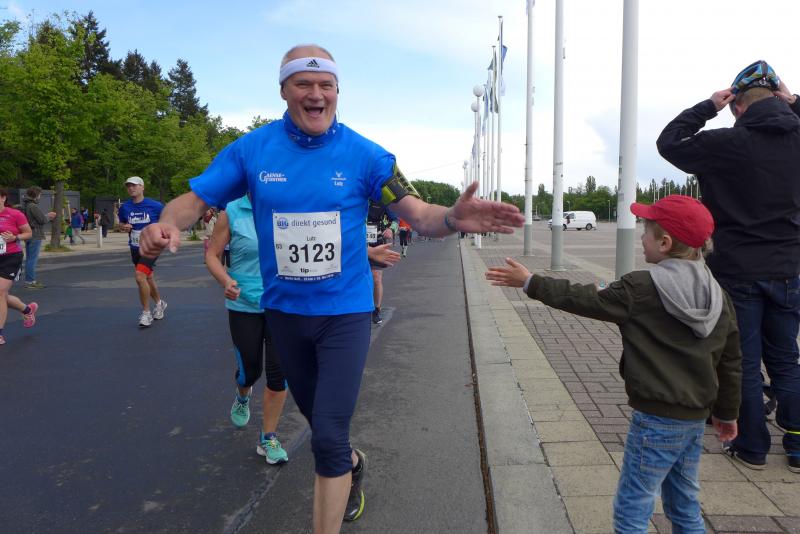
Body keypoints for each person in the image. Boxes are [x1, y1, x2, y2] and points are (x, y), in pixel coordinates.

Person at [139, 44, 523, 534]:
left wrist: (451, 217)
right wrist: (166, 223)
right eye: (304, 83)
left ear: (338, 92)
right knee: (324, 429)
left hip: (345, 313)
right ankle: (352, 463)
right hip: (284, 314)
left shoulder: (367, 156)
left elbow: (420, 214)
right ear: (284, 91)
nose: (316, 93)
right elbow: (194, 201)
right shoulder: (251, 150)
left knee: (327, 437)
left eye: (326, 85)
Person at [486, 195, 742, 533]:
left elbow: (584, 298)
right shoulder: (718, 295)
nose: (641, 237)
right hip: (694, 419)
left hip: (655, 420)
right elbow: (731, 361)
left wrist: (531, 281)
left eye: (645, 232)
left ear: (664, 243)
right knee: (684, 503)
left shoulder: (640, 288)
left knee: (632, 507)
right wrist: (727, 413)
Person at [656, 60, 800, 474]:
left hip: (737, 270)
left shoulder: (724, 143)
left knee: (744, 361)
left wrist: (707, 107)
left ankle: (752, 447)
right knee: (786, 360)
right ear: (778, 98)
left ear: (737, 106)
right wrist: (793, 102)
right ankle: (797, 447)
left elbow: (670, 142)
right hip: (789, 269)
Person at [206, 195, 290, 464]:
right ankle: (243, 395)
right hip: (244, 303)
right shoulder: (232, 212)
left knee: (279, 375)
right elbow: (212, 255)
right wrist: (225, 281)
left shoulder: (288, 204)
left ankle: (268, 437)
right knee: (249, 372)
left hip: (282, 304)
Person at [118, 176, 167, 328]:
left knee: (140, 276)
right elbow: (121, 223)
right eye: (128, 186)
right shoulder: (125, 207)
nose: (131, 188)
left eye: (134, 185)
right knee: (148, 277)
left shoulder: (155, 206)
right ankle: (159, 303)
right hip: (135, 247)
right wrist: (124, 227)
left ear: (142, 187)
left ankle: (146, 313)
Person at [0, 187, 38, 345]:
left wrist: (14, 237)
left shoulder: (15, 214)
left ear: (3, 198)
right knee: (2, 295)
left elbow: (28, 233)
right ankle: (27, 309)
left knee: (0, 292)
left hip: (10, 257)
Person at [366, 200, 397, 324]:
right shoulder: (355, 197)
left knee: (376, 277)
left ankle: (376, 309)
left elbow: (395, 220)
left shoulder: (381, 201)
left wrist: (391, 230)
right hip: (356, 243)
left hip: (377, 243)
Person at [21, 186, 56, 289]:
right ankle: (30, 282)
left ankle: (29, 281)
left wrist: (45, 216)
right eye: (40, 194)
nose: (40, 196)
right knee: (32, 259)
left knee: (29, 259)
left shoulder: (25, 204)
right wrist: (49, 216)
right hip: (35, 234)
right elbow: (42, 220)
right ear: (36, 195)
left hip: (28, 233)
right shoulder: (33, 206)